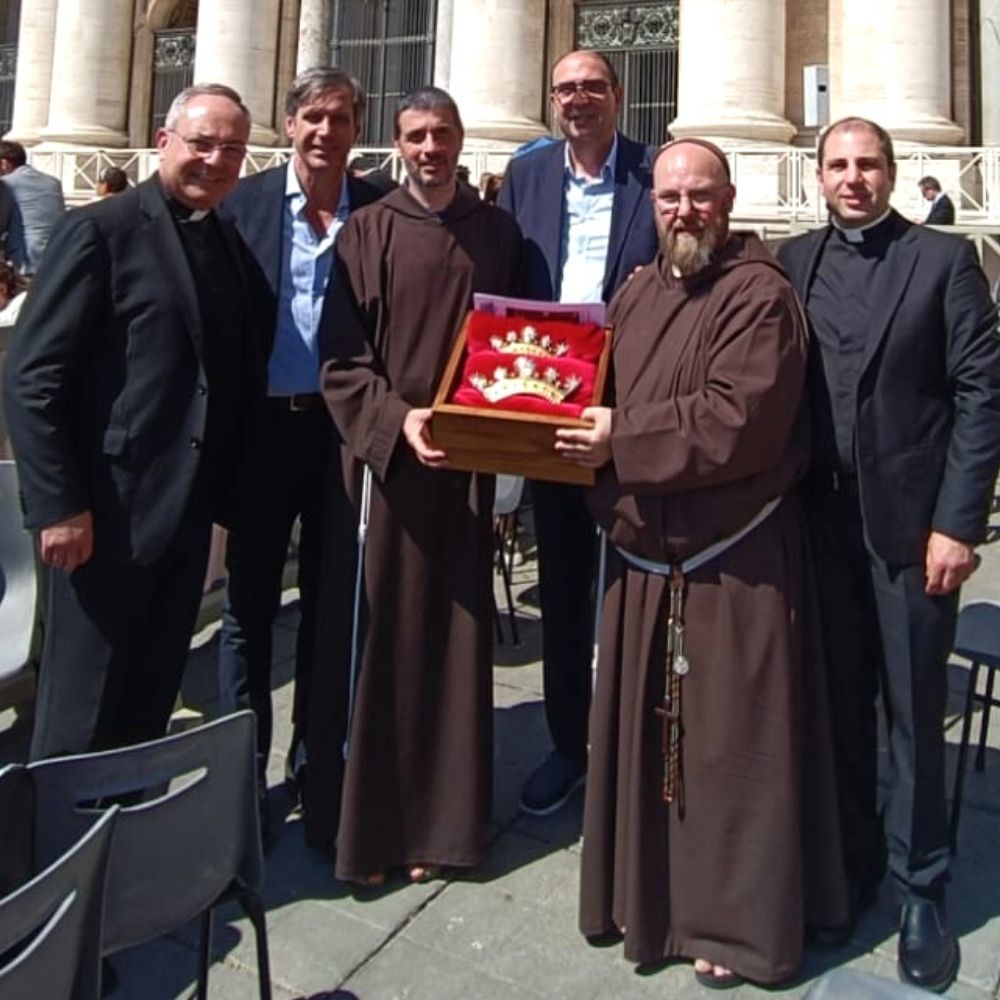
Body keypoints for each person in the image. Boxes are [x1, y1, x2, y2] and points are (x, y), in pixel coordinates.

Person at [559, 137, 848, 988]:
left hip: (734, 562)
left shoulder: (760, 296)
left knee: (733, 755)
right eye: (669, 197)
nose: (683, 211)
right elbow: (597, 390)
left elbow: (739, 419)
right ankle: (644, 902)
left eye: (700, 196)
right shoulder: (639, 290)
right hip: (647, 553)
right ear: (651, 203)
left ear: (729, 200)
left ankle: (735, 923)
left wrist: (620, 440)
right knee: (650, 748)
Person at [778, 117, 1000, 994]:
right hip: (817, 526)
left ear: (894, 174)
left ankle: (921, 888)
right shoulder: (792, 262)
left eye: (869, 165)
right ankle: (851, 864)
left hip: (910, 531)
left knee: (913, 709)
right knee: (835, 703)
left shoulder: (943, 262)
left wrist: (959, 523)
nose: (854, 179)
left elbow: (983, 397)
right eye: (838, 165)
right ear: (817, 176)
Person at [3, 84, 268, 759]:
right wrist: (59, 505)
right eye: (201, 143)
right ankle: (57, 856)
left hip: (185, 516)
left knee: (147, 702)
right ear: (163, 143)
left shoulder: (229, 241)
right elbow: (34, 377)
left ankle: (131, 849)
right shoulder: (100, 229)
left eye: (231, 149)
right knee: (81, 711)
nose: (215, 160)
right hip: (104, 516)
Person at [309, 86, 523, 881]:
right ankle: (374, 831)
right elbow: (340, 356)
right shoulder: (367, 230)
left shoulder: (498, 233)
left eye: (441, 134)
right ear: (397, 144)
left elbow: (529, 345)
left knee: (458, 646)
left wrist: (504, 438)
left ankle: (449, 828)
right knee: (384, 642)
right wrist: (398, 421)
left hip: (468, 467)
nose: (430, 148)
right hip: (389, 470)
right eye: (415, 136)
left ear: (462, 139)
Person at [217, 67, 386, 813]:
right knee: (247, 610)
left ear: (356, 129)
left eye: (340, 118)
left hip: (343, 438)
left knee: (333, 600)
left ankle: (318, 763)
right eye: (313, 117)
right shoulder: (240, 206)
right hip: (262, 433)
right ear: (288, 125)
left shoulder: (381, 210)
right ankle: (238, 784)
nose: (325, 132)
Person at [497, 49, 658, 816]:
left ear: (619, 97)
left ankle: (640, 745)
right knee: (562, 588)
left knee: (639, 586)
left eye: (592, 87)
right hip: (549, 412)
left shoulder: (655, 175)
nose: (578, 100)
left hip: (633, 413)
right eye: (565, 88)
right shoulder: (525, 178)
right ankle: (568, 744)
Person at [0, 141, 66, 273]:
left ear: (3, 163)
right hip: (57, 256)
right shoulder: (53, 182)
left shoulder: (7, 184)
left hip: (26, 260)